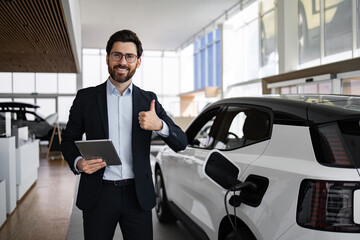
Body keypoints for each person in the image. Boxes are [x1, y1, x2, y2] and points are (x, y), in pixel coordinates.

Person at [60, 29, 187, 240]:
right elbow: (67, 141)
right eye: (117, 55)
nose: (123, 62)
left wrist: (160, 125)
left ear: (138, 62)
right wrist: (78, 162)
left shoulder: (149, 101)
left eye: (130, 56)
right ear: (108, 57)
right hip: (98, 194)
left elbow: (181, 142)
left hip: (138, 196)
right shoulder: (86, 98)